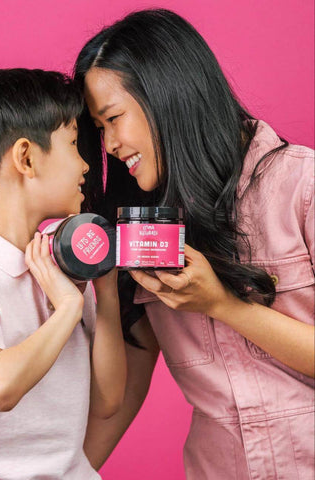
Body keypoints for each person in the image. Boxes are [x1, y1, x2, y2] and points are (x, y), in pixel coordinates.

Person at [74, 9, 315, 479]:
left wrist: (224, 304)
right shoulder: (143, 229)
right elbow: (121, 393)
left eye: (114, 119)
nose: (110, 145)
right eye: (99, 130)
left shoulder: (302, 185)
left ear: (169, 94)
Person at [0, 68, 126, 480]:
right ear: (26, 157)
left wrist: (104, 290)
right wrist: (67, 308)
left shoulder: (65, 260)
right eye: (73, 144)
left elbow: (108, 402)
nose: (86, 163)